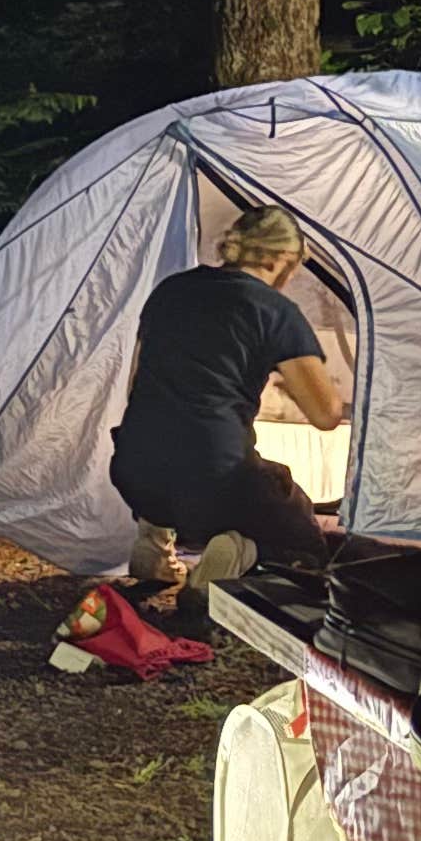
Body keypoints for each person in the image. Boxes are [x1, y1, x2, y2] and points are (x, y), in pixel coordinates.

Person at [109, 202, 347, 592]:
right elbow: (326, 415)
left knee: (174, 461)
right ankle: (232, 557)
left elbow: (137, 385)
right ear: (285, 259)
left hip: (135, 471)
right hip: (214, 479)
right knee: (301, 535)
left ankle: (153, 543)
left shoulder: (172, 290)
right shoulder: (275, 311)